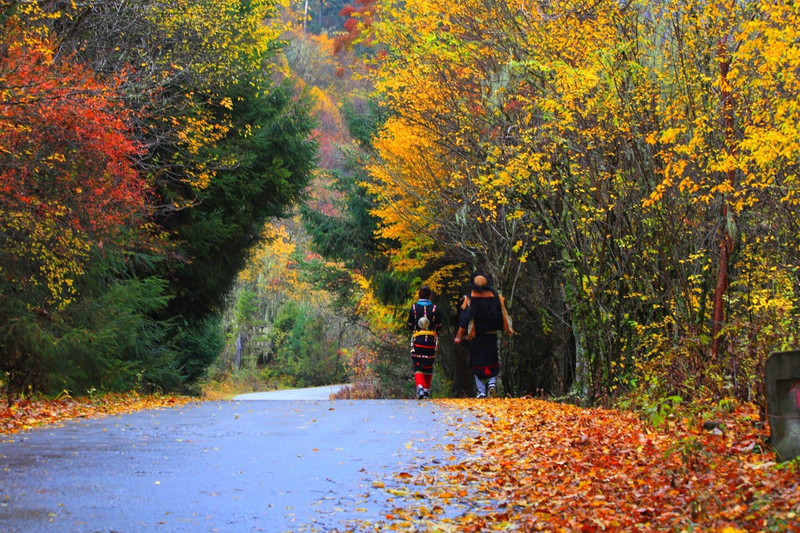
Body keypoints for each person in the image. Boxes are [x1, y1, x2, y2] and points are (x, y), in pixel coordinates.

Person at [454, 273, 503, 398]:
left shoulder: (470, 299)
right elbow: (501, 316)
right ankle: (492, 384)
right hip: (491, 335)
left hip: (477, 336)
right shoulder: (496, 298)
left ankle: (481, 391)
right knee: (492, 360)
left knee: (477, 363)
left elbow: (464, 320)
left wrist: (459, 336)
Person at [407, 285, 442, 399]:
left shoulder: (414, 308)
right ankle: (426, 389)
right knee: (428, 364)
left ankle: (420, 386)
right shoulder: (435, 308)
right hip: (431, 340)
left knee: (418, 364)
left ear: (419, 295)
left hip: (418, 340)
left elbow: (410, 325)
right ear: (430, 295)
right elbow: (438, 326)